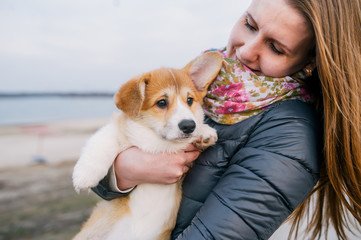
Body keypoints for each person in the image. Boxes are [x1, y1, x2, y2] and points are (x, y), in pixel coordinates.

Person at [92, 0, 361, 239]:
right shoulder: (209, 89)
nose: (246, 51)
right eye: (249, 24)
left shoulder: (290, 134)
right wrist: (121, 172)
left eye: (276, 48)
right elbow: (105, 183)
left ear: (309, 62)